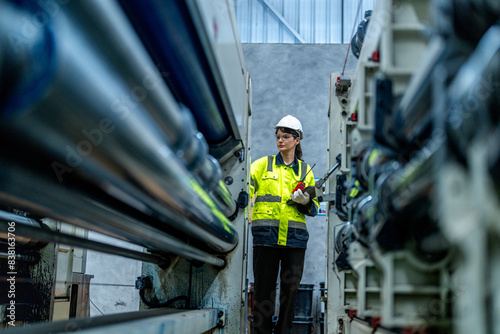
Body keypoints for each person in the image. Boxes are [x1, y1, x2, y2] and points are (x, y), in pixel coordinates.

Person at [250, 115, 319, 334]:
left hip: (295, 240)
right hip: (266, 238)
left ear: (297, 140)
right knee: (263, 292)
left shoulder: (305, 171)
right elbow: (243, 195)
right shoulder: (261, 166)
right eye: (278, 136)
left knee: (290, 294)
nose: (280, 140)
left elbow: (314, 209)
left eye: (286, 136)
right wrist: (249, 216)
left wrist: (306, 202)